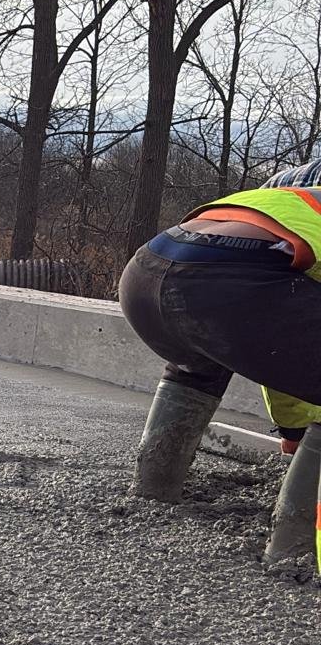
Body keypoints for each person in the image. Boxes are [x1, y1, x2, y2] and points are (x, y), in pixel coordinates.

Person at [119, 178, 321, 565]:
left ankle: (153, 489)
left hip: (144, 275)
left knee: (195, 366)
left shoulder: (290, 197)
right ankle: (296, 552)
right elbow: (290, 345)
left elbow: (288, 352)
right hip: (227, 284)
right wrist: (297, 436)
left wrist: (295, 434)